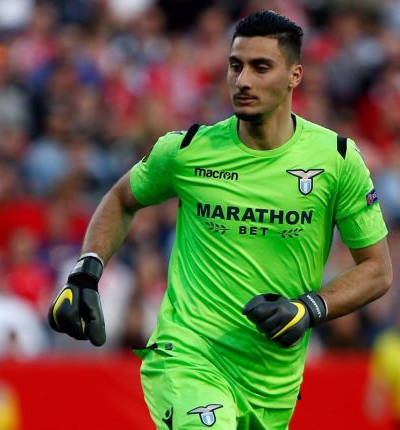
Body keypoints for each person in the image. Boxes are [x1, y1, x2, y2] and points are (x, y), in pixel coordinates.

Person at [48, 10, 393, 430]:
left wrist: (309, 309)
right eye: (235, 66)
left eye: (260, 67)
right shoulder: (188, 150)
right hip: (188, 356)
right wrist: (85, 273)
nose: (242, 80)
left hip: (271, 381)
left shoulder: (336, 160)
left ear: (295, 75)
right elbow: (121, 198)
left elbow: (376, 270)